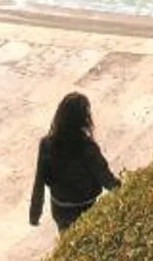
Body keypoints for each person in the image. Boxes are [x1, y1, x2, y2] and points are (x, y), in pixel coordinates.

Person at [28, 92, 119, 233]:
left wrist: (35, 213)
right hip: (86, 207)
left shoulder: (46, 144)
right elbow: (104, 176)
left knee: (65, 239)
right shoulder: (87, 147)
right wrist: (123, 189)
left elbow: (39, 181)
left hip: (60, 208)